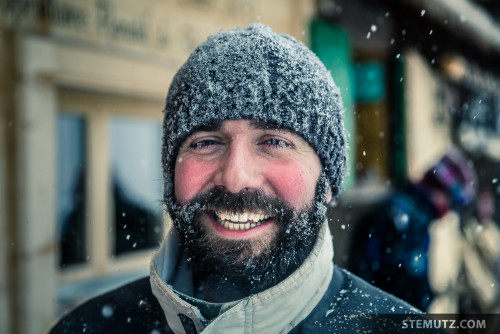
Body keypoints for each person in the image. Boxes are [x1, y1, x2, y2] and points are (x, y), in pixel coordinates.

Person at [49, 23, 420, 334]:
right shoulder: (85, 328)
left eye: (274, 141)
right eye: (206, 142)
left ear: (327, 181)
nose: (235, 177)